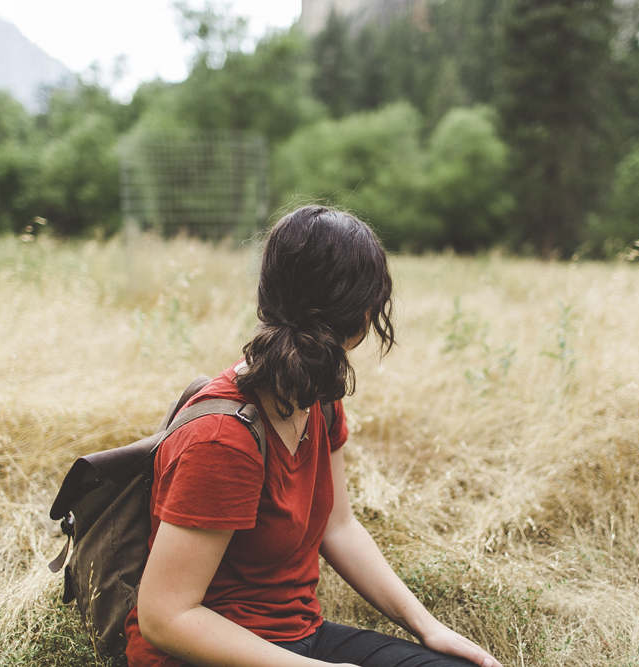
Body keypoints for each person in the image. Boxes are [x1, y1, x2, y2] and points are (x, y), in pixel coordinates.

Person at [125, 205, 502, 667]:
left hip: (302, 638)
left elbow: (338, 526)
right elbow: (165, 617)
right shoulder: (223, 439)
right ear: (355, 313)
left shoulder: (318, 396)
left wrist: (430, 628)